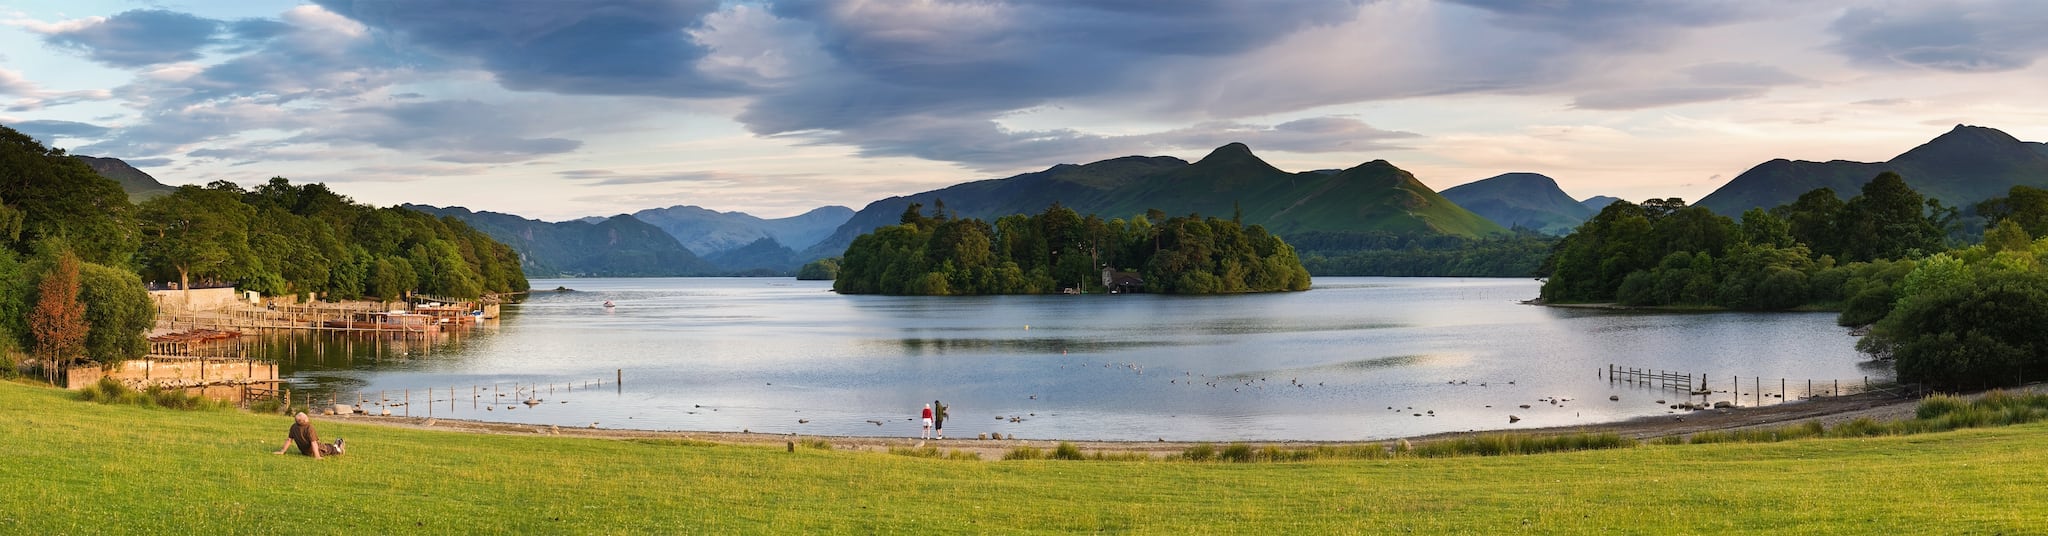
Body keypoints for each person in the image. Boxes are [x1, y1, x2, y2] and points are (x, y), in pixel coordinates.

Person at [273, 412, 344, 459]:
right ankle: (338, 450)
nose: (308, 418)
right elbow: (313, 442)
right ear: (304, 421)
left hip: (304, 452)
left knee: (325, 445)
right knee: (328, 448)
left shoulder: (293, 427)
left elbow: (289, 440)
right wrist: (317, 456)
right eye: (307, 418)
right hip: (314, 451)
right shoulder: (309, 428)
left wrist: (282, 451)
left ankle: (335, 447)